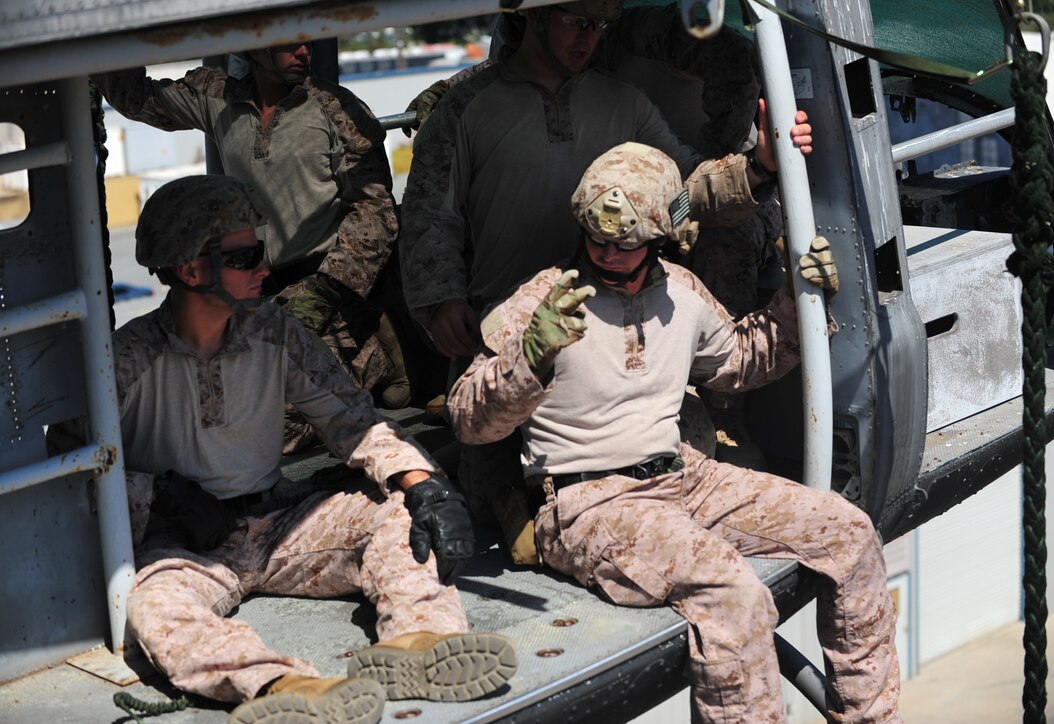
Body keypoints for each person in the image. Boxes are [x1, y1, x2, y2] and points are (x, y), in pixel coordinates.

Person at [446, 143, 897, 723]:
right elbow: (466, 417)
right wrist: (529, 360)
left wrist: (796, 300)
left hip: (683, 477)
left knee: (851, 533)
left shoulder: (680, 292)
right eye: (598, 240)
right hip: (590, 503)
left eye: (625, 244)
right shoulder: (544, 301)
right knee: (731, 594)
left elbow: (739, 360)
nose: (608, 255)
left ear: (657, 238)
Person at [400, 0, 812, 557]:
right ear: (537, 16)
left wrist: (757, 168)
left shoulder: (624, 104)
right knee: (486, 483)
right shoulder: (467, 108)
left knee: (673, 452)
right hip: (508, 337)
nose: (589, 38)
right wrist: (441, 299)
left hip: (604, 330)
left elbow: (683, 196)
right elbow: (430, 214)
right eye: (576, 22)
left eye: (599, 27)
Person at [100, 175, 516, 723]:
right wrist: (159, 495)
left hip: (279, 524)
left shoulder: (274, 332)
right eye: (246, 256)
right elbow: (78, 470)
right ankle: (282, 686)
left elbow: (351, 420)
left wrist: (422, 483)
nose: (265, 269)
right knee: (155, 610)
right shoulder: (127, 357)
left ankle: (419, 644)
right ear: (190, 269)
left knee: (401, 514)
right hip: (184, 548)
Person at [93, 41, 411, 431]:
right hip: (254, 295)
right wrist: (118, 30)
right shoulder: (216, 97)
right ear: (253, 49)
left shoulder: (337, 110)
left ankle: (374, 353)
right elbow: (137, 99)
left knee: (279, 422)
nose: (304, 51)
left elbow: (376, 209)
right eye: (287, 43)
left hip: (329, 291)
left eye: (308, 40)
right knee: (215, 400)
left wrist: (327, 289)